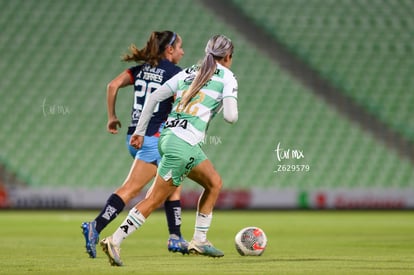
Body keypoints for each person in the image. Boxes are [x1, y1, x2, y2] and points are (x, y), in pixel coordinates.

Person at [100, 34, 238, 266]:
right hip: (182, 145)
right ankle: (114, 240)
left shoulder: (188, 72)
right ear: (228, 56)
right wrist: (222, 100)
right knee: (154, 199)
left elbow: (154, 97)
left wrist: (140, 131)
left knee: (214, 182)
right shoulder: (227, 77)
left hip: (168, 137)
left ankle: (200, 240)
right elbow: (231, 117)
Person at [81, 30, 188, 258]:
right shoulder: (174, 74)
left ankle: (176, 236)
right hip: (152, 139)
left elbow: (112, 86)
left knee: (172, 181)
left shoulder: (140, 70)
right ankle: (96, 227)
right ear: (169, 49)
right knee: (131, 189)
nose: (182, 51)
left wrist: (111, 117)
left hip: (133, 136)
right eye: (180, 47)